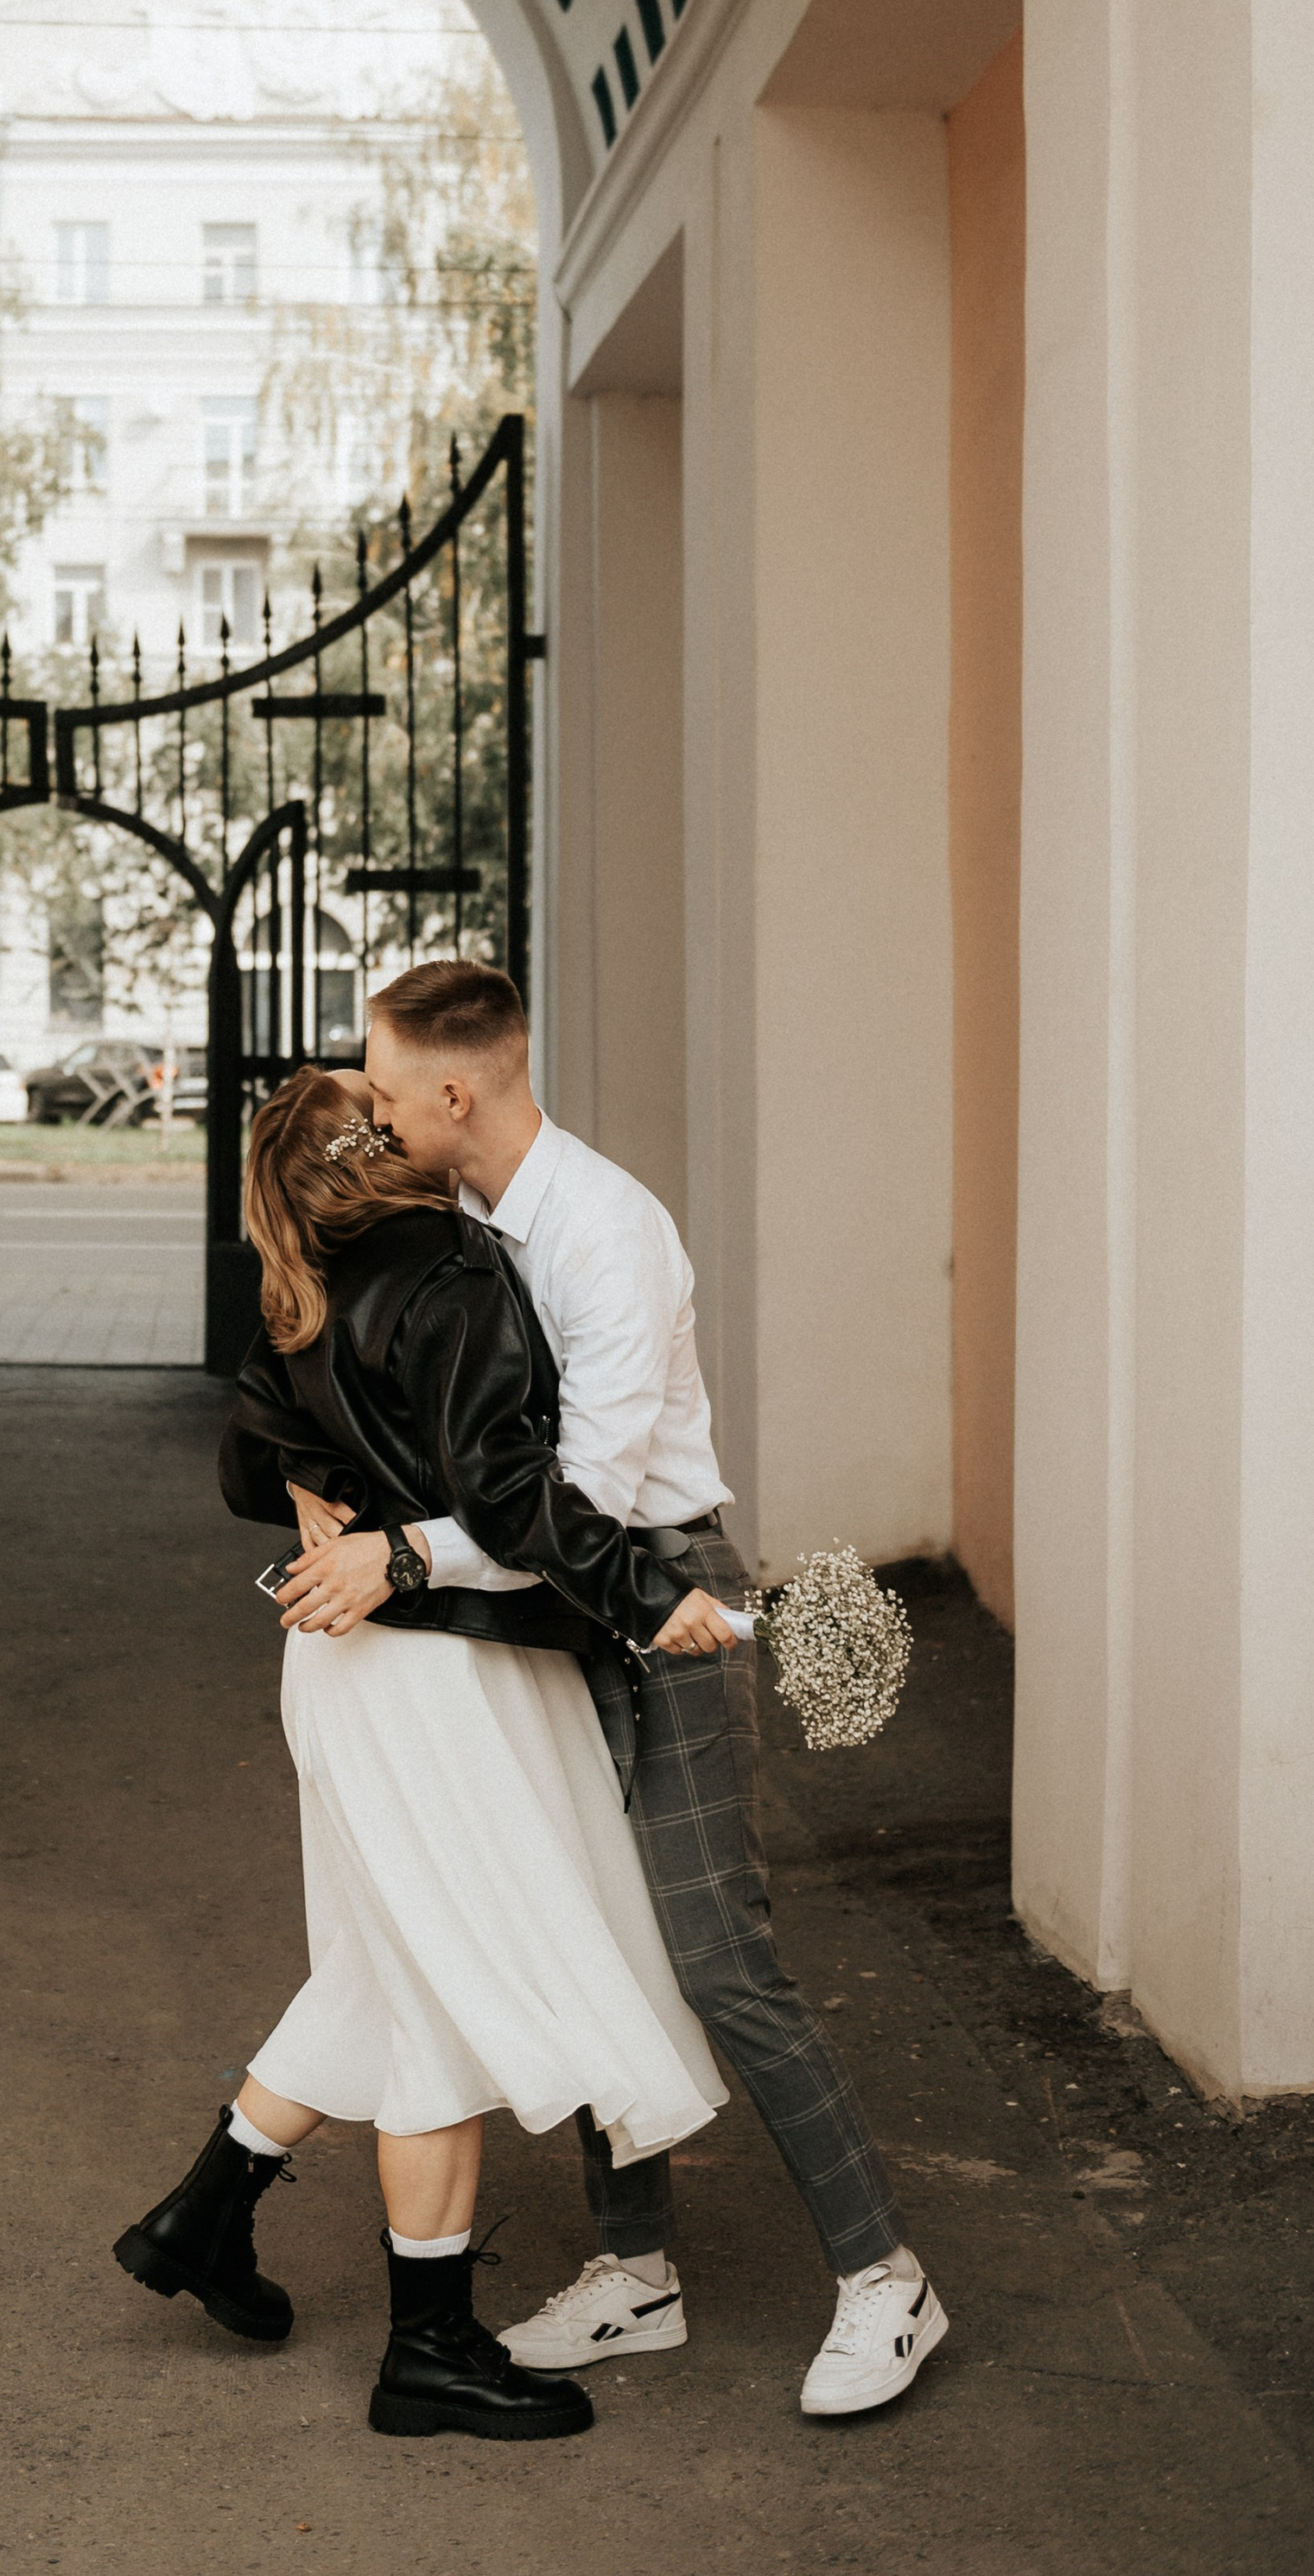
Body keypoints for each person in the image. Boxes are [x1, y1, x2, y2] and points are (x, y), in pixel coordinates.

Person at [307, 958, 946, 2420]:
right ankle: (636, 2273)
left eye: (385, 1089)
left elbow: (582, 1501)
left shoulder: (604, 1231)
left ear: (451, 1091)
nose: (372, 1114)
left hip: (657, 1591)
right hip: (543, 1604)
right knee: (590, 1935)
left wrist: (401, 1557)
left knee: (718, 1956)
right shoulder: (454, 1222)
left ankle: (886, 2277)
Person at [112, 1067, 730, 2443]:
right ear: (377, 1140)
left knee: (390, 1968)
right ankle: (429, 2350)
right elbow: (513, 1499)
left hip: (340, 1668)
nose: (402, 1100)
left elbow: (242, 1464)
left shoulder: (306, 1277)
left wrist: (309, 1481)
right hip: (447, 1675)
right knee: (445, 1995)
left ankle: (204, 2216)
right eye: (379, 1094)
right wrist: (647, 1595)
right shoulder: (451, 1272)